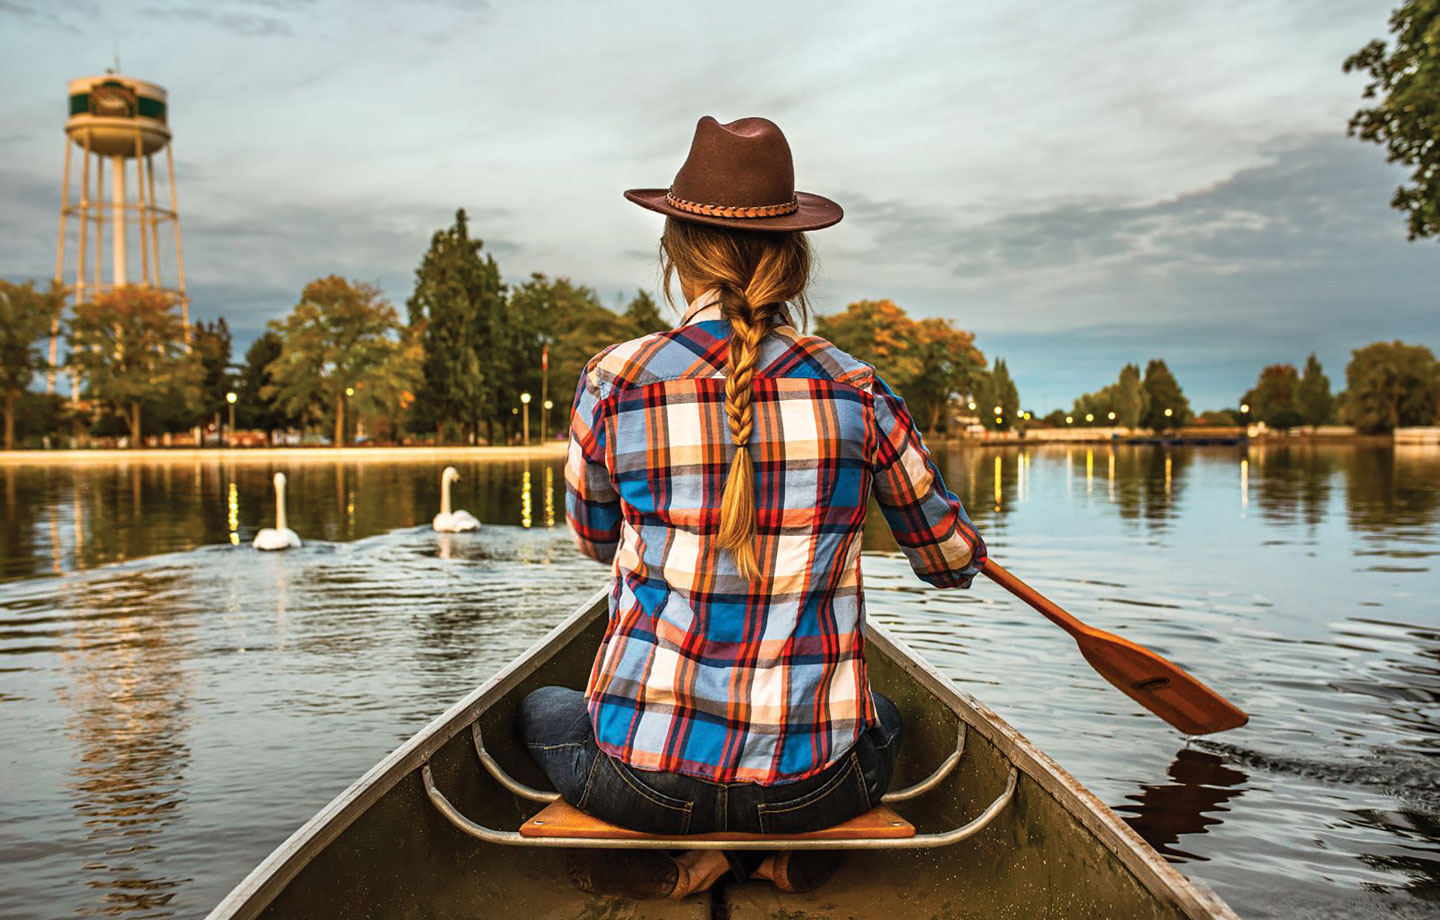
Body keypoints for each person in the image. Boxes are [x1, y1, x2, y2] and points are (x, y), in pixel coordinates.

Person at [517, 115, 986, 900]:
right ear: (794, 261)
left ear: (676, 254)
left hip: (644, 784)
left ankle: (696, 859)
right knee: (888, 718)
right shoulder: (858, 388)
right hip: (810, 790)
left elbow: (593, 539)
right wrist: (956, 545)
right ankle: (766, 858)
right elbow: (949, 563)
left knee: (539, 708)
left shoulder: (614, 380)